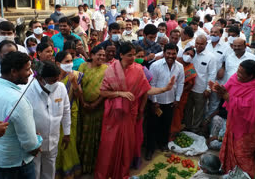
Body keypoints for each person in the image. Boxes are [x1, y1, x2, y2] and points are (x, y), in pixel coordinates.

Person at [94, 42, 175, 179]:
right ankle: (104, 174)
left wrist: (164, 89)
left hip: (130, 115)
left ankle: (121, 173)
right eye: (129, 55)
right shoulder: (110, 70)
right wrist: (120, 93)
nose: (132, 58)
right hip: (113, 115)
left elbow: (147, 89)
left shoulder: (138, 70)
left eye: (133, 55)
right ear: (121, 55)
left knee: (126, 146)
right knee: (109, 145)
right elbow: (103, 92)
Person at [0, 51, 42, 179]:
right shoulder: (17, 100)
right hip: (16, 164)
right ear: (14, 72)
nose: (31, 73)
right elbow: (30, 144)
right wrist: (37, 143)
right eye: (27, 69)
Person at [212, 60, 255, 178]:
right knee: (230, 147)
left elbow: (249, 107)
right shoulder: (236, 77)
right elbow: (227, 88)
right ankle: (229, 172)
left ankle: (247, 176)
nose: (237, 75)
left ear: (250, 76)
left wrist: (227, 96)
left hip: (248, 126)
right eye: (238, 71)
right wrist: (219, 89)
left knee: (242, 154)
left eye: (241, 74)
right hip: (234, 119)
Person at [24, 60, 71, 179]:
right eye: (52, 81)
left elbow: (66, 110)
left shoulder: (60, 88)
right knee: (35, 170)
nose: (55, 83)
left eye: (57, 79)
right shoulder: (27, 91)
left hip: (53, 139)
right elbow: (24, 118)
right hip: (35, 142)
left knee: (50, 169)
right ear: (40, 78)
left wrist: (67, 133)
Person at [146, 43, 184, 160]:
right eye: (168, 53)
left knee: (166, 125)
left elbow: (181, 83)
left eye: (173, 53)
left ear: (176, 54)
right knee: (152, 126)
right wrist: (154, 101)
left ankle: (162, 144)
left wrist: (177, 99)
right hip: (157, 102)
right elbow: (152, 84)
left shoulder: (179, 66)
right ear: (164, 53)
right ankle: (150, 149)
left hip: (170, 101)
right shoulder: (155, 65)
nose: (171, 56)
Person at [78, 46, 108, 174]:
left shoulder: (107, 69)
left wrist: (96, 103)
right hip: (83, 106)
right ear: (92, 55)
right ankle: (81, 165)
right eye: (99, 55)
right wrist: (83, 102)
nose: (101, 57)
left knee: (95, 136)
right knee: (82, 135)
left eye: (103, 55)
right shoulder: (83, 67)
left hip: (98, 107)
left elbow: (107, 89)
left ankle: (92, 165)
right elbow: (78, 85)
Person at [53, 52, 82, 178]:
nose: (70, 64)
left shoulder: (76, 75)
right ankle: (58, 171)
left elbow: (79, 96)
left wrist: (74, 83)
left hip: (71, 113)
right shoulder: (51, 76)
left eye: (71, 61)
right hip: (53, 115)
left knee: (69, 143)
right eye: (66, 61)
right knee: (57, 144)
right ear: (58, 63)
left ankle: (70, 171)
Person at [184, 35, 216, 133]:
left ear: (206, 44)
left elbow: (212, 74)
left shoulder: (211, 57)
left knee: (199, 111)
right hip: (189, 88)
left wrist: (208, 89)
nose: (198, 45)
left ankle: (195, 129)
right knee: (188, 109)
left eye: (201, 44)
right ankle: (187, 127)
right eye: (197, 43)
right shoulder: (190, 54)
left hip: (201, 89)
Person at [170, 47, 197, 138]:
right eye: (187, 53)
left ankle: (174, 132)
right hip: (168, 92)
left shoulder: (190, 68)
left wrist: (179, 91)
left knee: (177, 114)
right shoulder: (175, 61)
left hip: (181, 95)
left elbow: (190, 84)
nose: (189, 56)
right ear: (183, 53)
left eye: (191, 55)